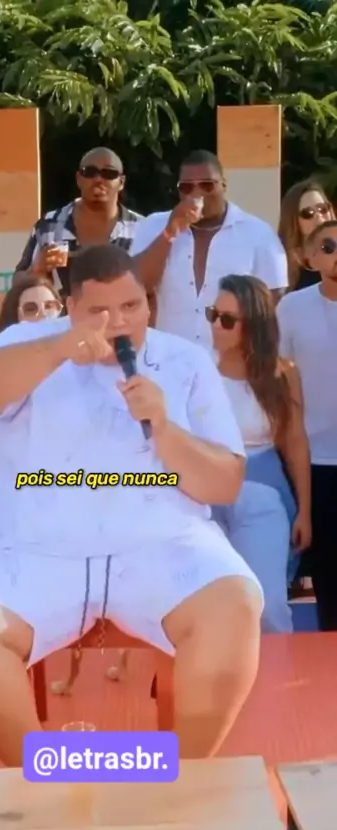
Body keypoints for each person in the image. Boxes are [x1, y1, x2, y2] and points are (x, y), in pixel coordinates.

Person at [0, 244, 263, 765]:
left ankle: (181, 777)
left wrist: (164, 428)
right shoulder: (28, 340)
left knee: (235, 606)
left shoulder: (186, 360)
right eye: (99, 311)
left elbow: (224, 484)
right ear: (70, 308)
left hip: (162, 544)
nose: (118, 322)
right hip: (34, 548)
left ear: (148, 301)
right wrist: (59, 349)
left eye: (131, 306)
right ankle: (47, 771)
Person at [209, 274, 311, 633]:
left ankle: (279, 671)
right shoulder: (195, 368)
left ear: (252, 326)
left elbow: (294, 441)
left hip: (263, 494)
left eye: (227, 320)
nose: (215, 326)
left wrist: (305, 511)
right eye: (212, 315)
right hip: (204, 497)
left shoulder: (282, 374)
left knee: (268, 606)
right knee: (212, 608)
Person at [130, 150, 288, 350]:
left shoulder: (257, 233)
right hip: (168, 356)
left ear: (224, 185)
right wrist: (169, 232)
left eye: (207, 185)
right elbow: (134, 285)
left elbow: (274, 297)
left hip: (230, 360)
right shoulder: (154, 225)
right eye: (187, 187)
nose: (197, 194)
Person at [277, 220, 337, 630]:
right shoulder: (291, 309)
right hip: (314, 462)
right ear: (310, 258)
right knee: (327, 580)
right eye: (328, 247)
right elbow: (281, 384)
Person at [13, 147, 142, 297]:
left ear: (121, 182)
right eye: (89, 172)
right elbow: (17, 282)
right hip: (64, 312)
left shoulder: (141, 228)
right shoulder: (50, 225)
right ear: (78, 179)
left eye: (109, 173)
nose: (98, 180)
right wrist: (36, 271)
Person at [0, 274, 63, 450]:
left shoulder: (80, 354)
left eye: (50, 306)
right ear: (16, 314)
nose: (43, 314)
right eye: (31, 309)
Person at [279, 179, 335, 292]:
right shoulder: (282, 261)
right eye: (308, 213)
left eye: (322, 209)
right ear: (294, 221)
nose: (319, 217)